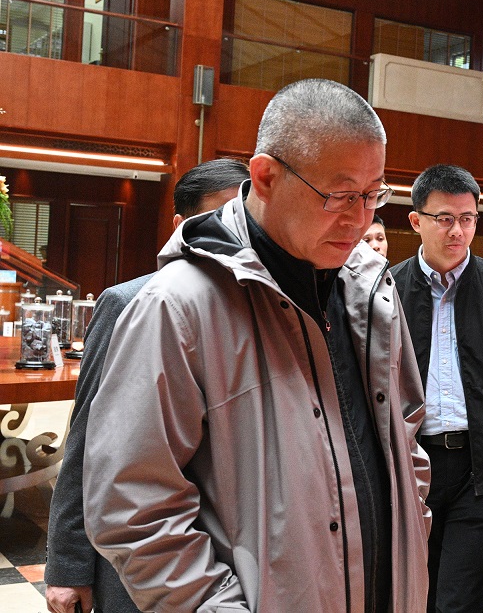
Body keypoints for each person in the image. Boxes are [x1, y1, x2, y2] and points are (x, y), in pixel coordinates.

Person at [82, 79, 431, 612]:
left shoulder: (371, 289)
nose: (359, 218)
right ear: (266, 177)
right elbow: (133, 505)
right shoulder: (180, 306)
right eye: (339, 195)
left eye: (372, 195)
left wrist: (411, 534)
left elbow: (405, 437)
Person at [45, 158, 250, 613]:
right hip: (141, 550)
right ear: (180, 226)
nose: (234, 233)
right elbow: (87, 441)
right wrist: (67, 567)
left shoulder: (265, 310)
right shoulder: (130, 302)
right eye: (218, 217)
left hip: (232, 555)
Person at [390, 164, 483, 613]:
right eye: (444, 218)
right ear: (416, 221)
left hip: (481, 466)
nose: (457, 230)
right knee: (411, 591)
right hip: (409, 462)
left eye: (467, 218)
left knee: (461, 597)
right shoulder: (387, 289)